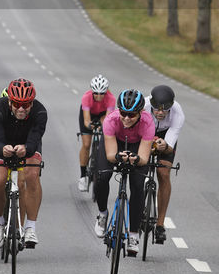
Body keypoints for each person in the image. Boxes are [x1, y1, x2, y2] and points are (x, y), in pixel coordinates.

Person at [92, 89, 156, 256]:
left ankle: (134, 234)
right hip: (115, 145)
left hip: (137, 147)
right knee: (102, 176)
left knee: (137, 185)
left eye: (132, 115)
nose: (127, 118)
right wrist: (119, 157)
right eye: (123, 113)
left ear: (141, 113)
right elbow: (110, 155)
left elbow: (143, 157)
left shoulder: (148, 123)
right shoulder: (111, 120)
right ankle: (102, 214)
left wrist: (134, 159)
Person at [0, 78, 48, 248]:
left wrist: (26, 148)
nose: (21, 109)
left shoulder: (40, 112)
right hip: (2, 142)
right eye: (17, 104)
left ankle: (30, 227)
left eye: (26, 105)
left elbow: (35, 139)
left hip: (27, 142)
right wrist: (2, 148)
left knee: (31, 175)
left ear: (32, 103)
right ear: (9, 101)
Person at [148, 84, 185, 244]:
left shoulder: (178, 113)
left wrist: (163, 146)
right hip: (145, 130)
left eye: (165, 110)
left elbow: (169, 144)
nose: (161, 113)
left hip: (166, 136)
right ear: (151, 104)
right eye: (157, 109)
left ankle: (160, 224)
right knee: (138, 167)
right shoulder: (142, 107)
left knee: (163, 173)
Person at [77, 74, 114, 192]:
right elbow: (87, 119)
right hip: (89, 115)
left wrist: (101, 127)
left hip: (103, 115)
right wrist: (90, 126)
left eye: (102, 93)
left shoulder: (111, 98)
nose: (99, 96)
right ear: (92, 91)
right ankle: (83, 176)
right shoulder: (86, 97)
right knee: (87, 144)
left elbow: (108, 118)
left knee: (105, 128)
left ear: (106, 92)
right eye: (96, 93)